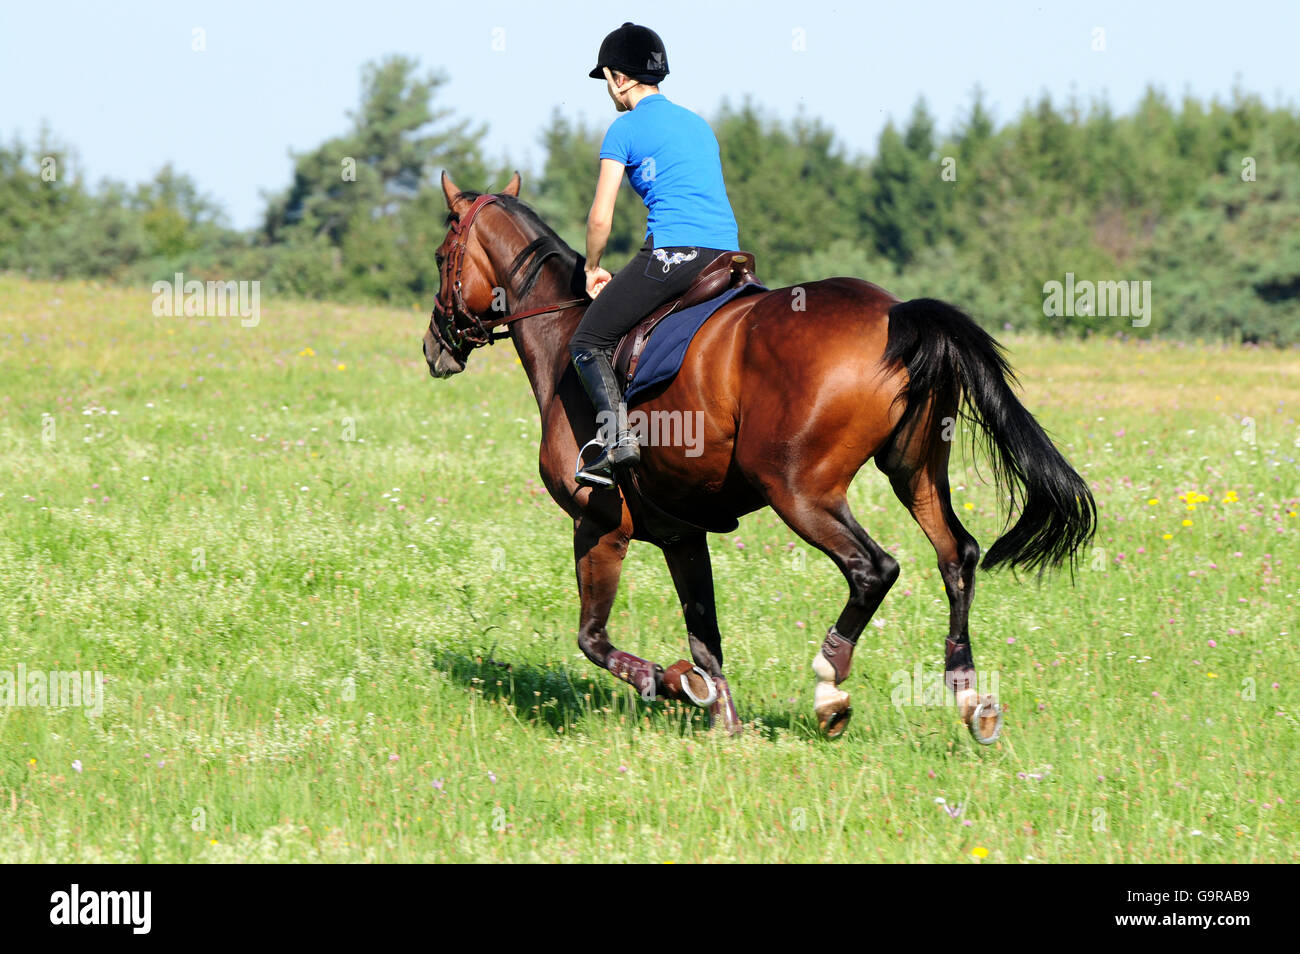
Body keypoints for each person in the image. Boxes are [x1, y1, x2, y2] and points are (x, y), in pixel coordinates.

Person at [570, 22, 741, 486]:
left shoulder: (623, 128)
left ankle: (616, 441)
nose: (608, 89)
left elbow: (600, 217)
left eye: (606, 79)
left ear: (619, 78)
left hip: (675, 256)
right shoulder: (698, 124)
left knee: (587, 342)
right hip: (728, 258)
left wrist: (591, 267)